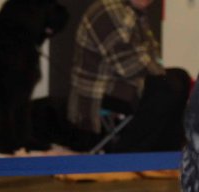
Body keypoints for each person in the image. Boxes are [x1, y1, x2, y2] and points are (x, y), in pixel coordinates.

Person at [67, 0, 190, 152]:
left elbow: (150, 56)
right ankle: (129, 152)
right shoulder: (109, 10)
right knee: (167, 88)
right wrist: (161, 74)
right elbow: (129, 65)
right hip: (101, 89)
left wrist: (162, 73)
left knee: (181, 77)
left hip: (123, 81)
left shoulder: (133, 11)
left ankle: (166, 153)